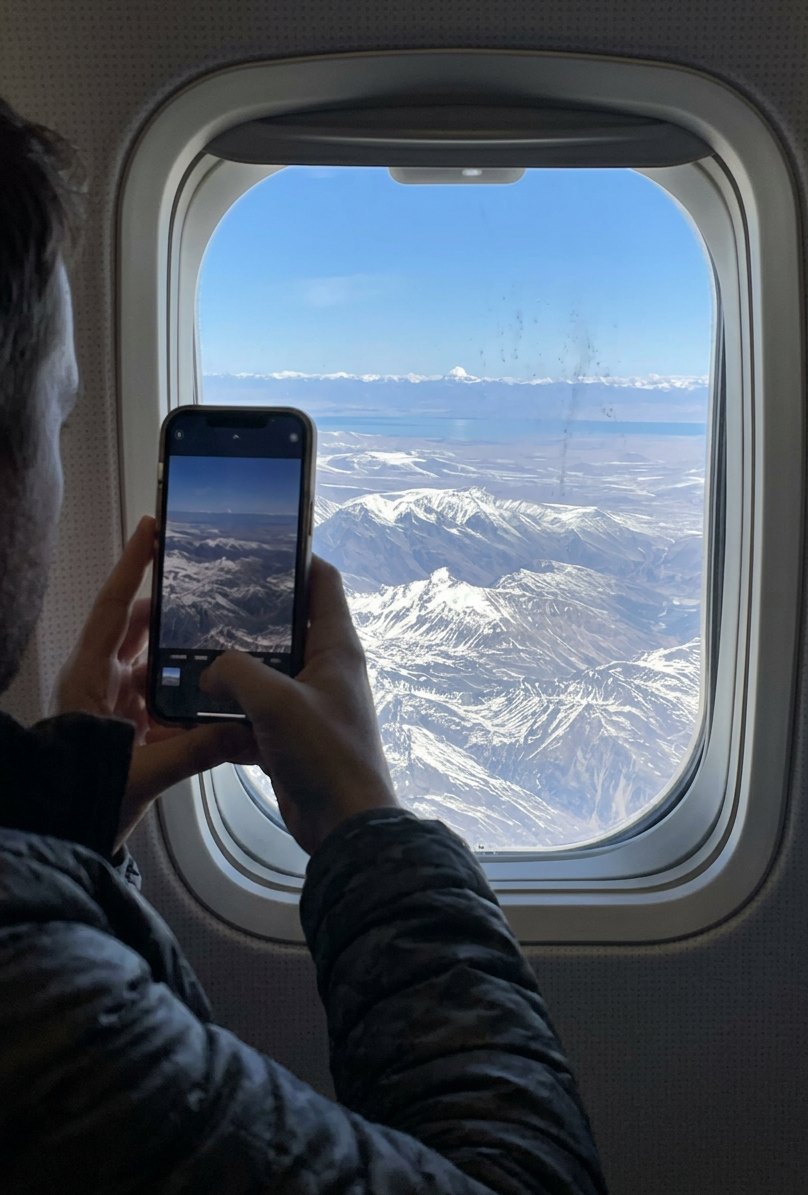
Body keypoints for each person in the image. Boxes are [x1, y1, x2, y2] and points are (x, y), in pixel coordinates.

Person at [0, 96, 607, 1193]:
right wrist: (362, 827)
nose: (57, 465)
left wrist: (66, 816)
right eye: (58, 415)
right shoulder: (33, 995)